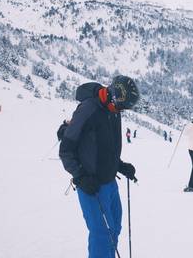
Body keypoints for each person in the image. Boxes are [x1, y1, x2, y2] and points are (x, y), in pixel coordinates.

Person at [58, 75, 140, 258]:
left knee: (115, 228)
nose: (121, 111)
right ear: (113, 95)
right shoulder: (88, 110)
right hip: (91, 185)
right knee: (102, 234)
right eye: (121, 106)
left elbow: (104, 147)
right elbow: (66, 150)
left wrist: (120, 165)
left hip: (110, 182)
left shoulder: (113, 110)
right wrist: (80, 177)